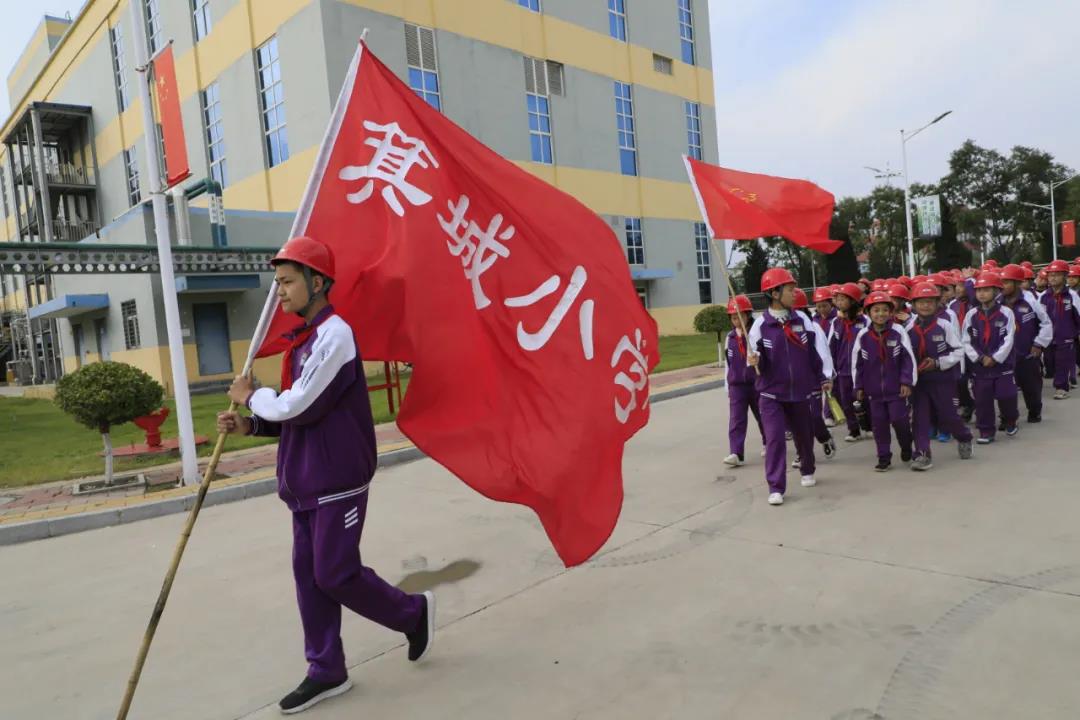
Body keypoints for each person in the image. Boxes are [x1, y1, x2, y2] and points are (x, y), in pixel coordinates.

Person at [217, 236, 435, 715]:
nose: (280, 292)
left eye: (288, 281)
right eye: (277, 283)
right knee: (309, 578)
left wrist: (253, 395)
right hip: (304, 481)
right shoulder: (302, 342)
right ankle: (326, 670)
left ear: (318, 282)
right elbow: (295, 417)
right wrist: (250, 422)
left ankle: (413, 614)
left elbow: (300, 404)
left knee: (335, 573)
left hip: (338, 480)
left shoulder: (336, 336)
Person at [747, 268, 832, 506]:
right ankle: (776, 486)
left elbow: (814, 353)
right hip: (771, 393)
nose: (795, 294)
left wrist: (822, 377)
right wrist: (755, 360)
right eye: (790, 289)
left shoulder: (802, 320)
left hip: (801, 391)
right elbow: (757, 361)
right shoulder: (760, 326)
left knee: (804, 435)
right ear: (774, 293)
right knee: (774, 438)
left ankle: (807, 468)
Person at [906, 282, 973, 469]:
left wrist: (938, 363)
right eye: (921, 302)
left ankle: (964, 437)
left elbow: (959, 351)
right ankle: (922, 454)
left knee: (948, 415)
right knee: (919, 419)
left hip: (943, 380)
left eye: (930, 302)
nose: (925, 306)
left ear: (937, 304)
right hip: (919, 383)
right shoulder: (909, 329)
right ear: (914, 304)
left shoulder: (944, 326)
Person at [852, 291, 916, 472]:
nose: (880, 314)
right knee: (879, 425)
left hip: (896, 390)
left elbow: (907, 358)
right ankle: (883, 457)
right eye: (876, 310)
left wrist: (906, 381)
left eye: (885, 310)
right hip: (874, 393)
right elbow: (857, 364)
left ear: (891, 312)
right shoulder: (863, 335)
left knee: (900, 421)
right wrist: (859, 386)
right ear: (868, 313)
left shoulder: (898, 331)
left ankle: (906, 445)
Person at [961, 272, 1019, 443]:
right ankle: (986, 431)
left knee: (1006, 396)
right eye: (979, 290)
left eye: (986, 290)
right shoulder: (971, 315)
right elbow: (966, 339)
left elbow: (1009, 338)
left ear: (996, 291)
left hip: (1002, 366)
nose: (982, 294)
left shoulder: (1006, 312)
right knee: (982, 400)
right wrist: (979, 358)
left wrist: (995, 357)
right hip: (980, 367)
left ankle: (1010, 420)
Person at [999, 264, 1052, 423]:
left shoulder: (1030, 300)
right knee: (1005, 390)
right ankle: (1007, 418)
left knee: (1031, 387)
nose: (1003, 286)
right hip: (1004, 356)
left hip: (1027, 353)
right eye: (1001, 282)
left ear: (1017, 283)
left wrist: (1038, 344)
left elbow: (1046, 323)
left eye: (1007, 282)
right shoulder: (997, 302)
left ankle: (1034, 410)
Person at [791, 288, 838, 465]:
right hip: (793, 382)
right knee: (796, 420)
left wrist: (825, 377)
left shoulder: (813, 327)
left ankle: (824, 437)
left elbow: (823, 354)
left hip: (812, 380)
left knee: (814, 418)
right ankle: (801, 453)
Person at [723, 295, 765, 467]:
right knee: (736, 420)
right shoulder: (730, 338)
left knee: (762, 416)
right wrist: (728, 386)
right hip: (737, 386)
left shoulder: (755, 334)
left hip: (755, 383)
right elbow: (728, 363)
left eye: (739, 316)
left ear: (748, 315)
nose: (736, 320)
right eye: (733, 317)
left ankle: (768, 442)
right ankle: (736, 452)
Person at [827, 283, 869, 442]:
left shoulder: (865, 321)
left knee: (864, 398)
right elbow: (831, 346)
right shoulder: (836, 323)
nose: (839, 302)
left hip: (861, 370)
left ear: (853, 301)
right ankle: (854, 430)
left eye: (843, 299)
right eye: (838, 299)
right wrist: (831, 370)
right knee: (846, 401)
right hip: (843, 370)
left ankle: (869, 426)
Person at [1038, 259, 1080, 399]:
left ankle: (1061, 387)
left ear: (1065, 276)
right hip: (1048, 338)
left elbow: (1078, 315)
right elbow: (1038, 317)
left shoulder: (1072, 296)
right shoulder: (1044, 297)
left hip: (1066, 337)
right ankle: (1062, 380)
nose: (1053, 277)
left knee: (1063, 362)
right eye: (1050, 275)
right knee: (1050, 362)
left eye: (1057, 274)